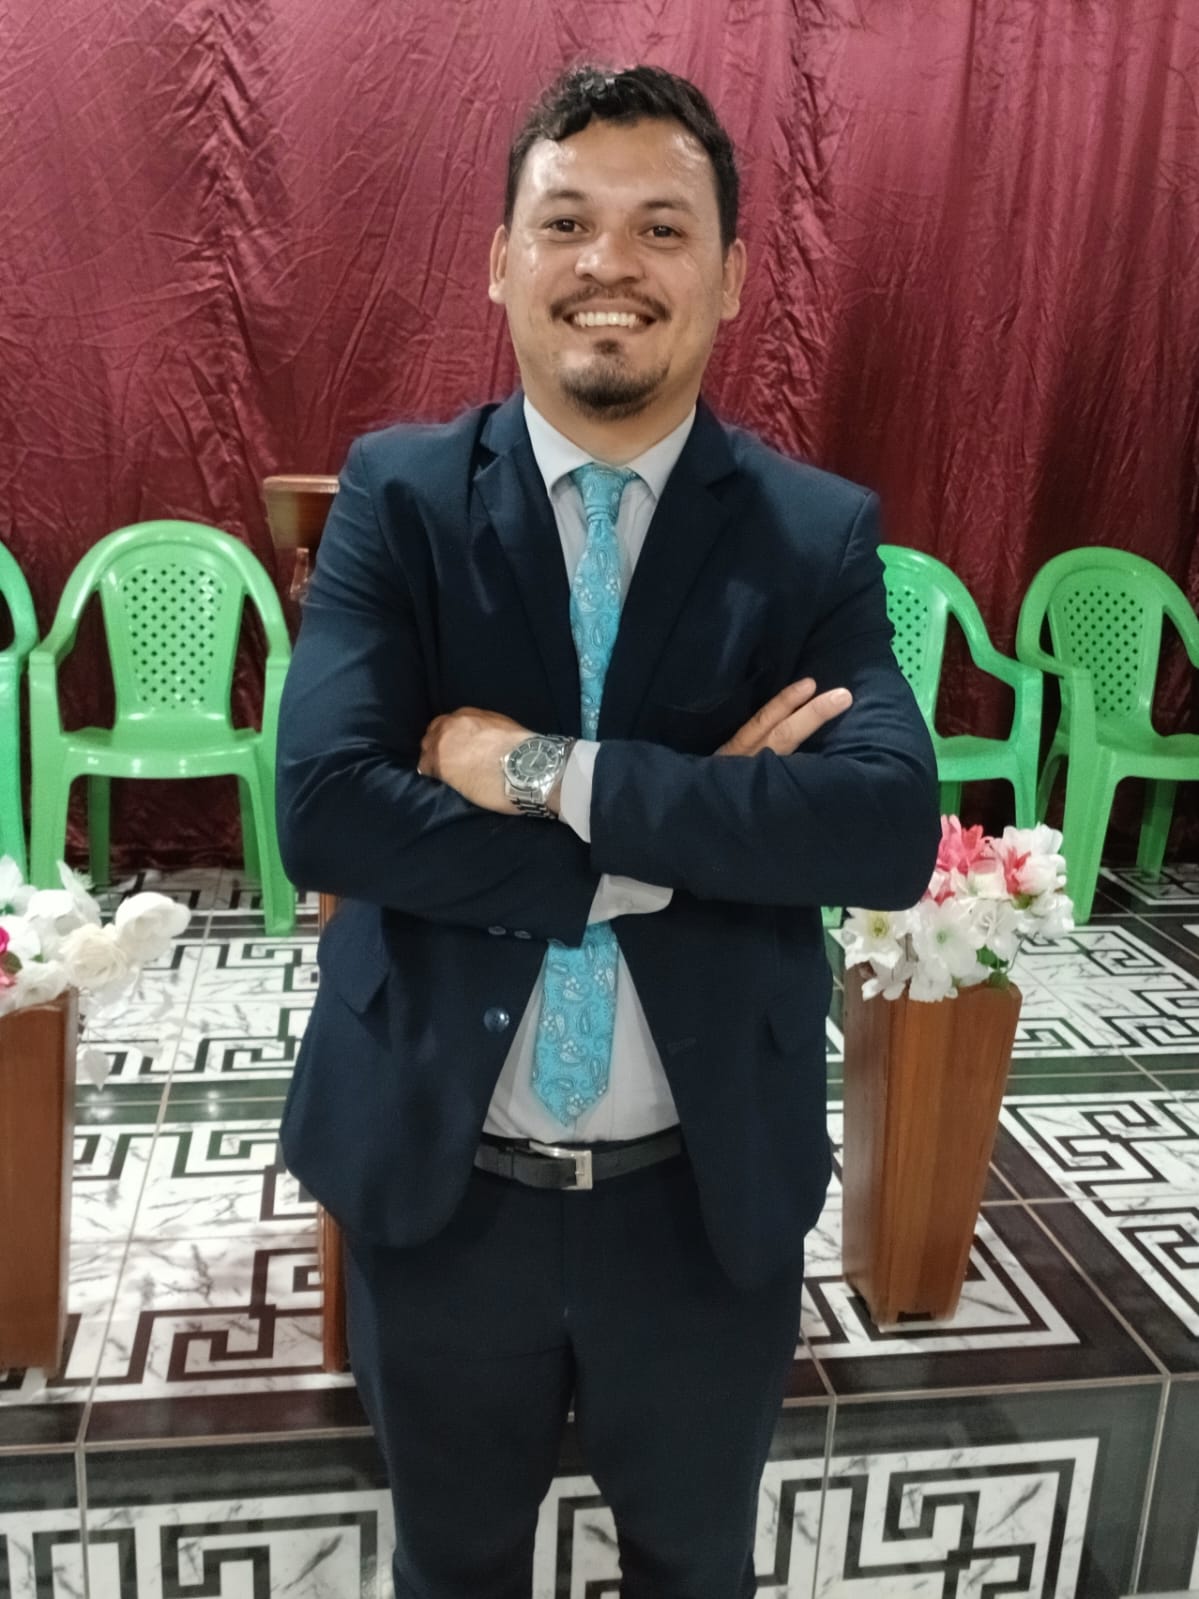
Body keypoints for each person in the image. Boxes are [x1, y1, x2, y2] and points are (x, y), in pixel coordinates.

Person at [276, 62, 939, 1599]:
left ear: (733, 276)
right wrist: (685, 833)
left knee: (695, 1568)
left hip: (700, 1198)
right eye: (566, 221)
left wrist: (535, 770)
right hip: (442, 1180)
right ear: (501, 259)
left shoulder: (812, 533)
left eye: (661, 227)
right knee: (453, 1568)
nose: (608, 265)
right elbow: (325, 810)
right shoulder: (399, 497)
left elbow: (879, 829)